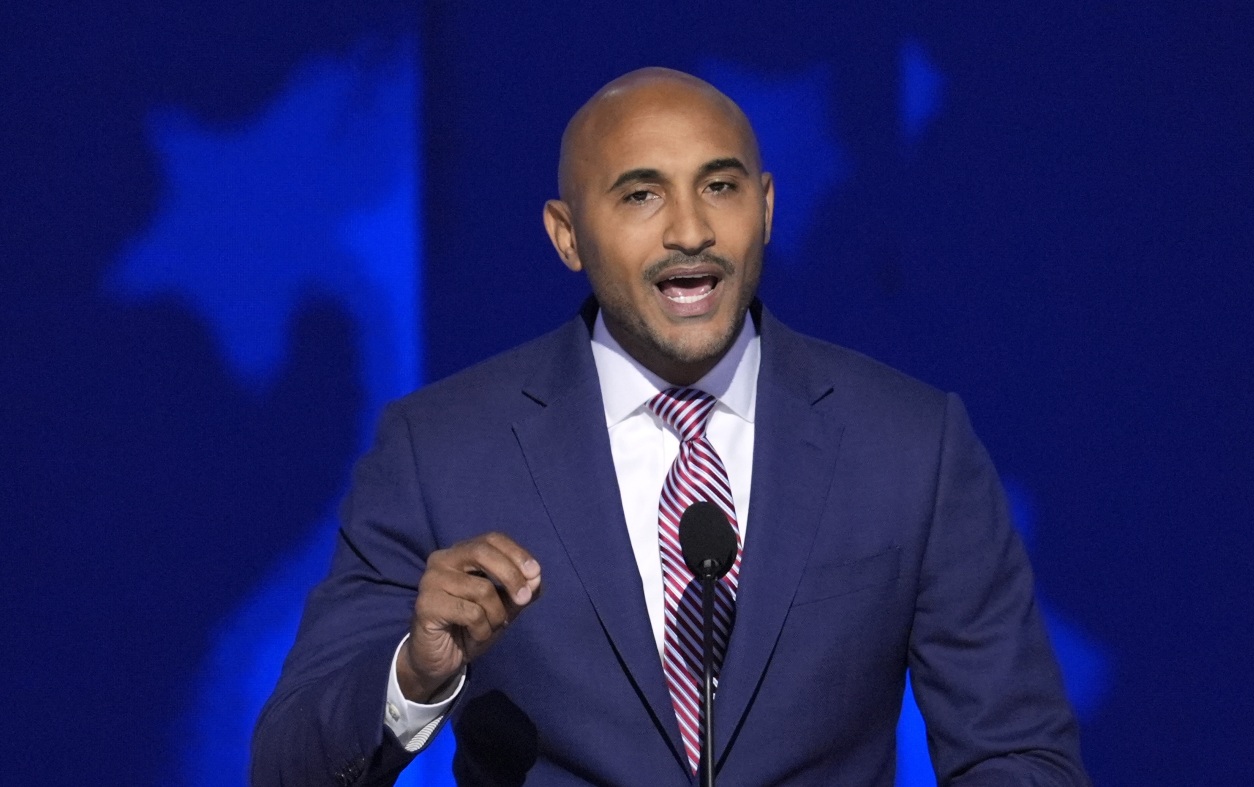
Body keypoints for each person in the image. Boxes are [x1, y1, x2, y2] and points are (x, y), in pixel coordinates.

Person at [252, 67, 1090, 786]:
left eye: (720, 187)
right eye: (641, 195)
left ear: (766, 206)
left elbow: (1019, 753)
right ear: (567, 235)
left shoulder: (911, 443)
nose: (690, 231)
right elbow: (287, 765)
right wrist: (414, 674)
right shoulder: (440, 448)